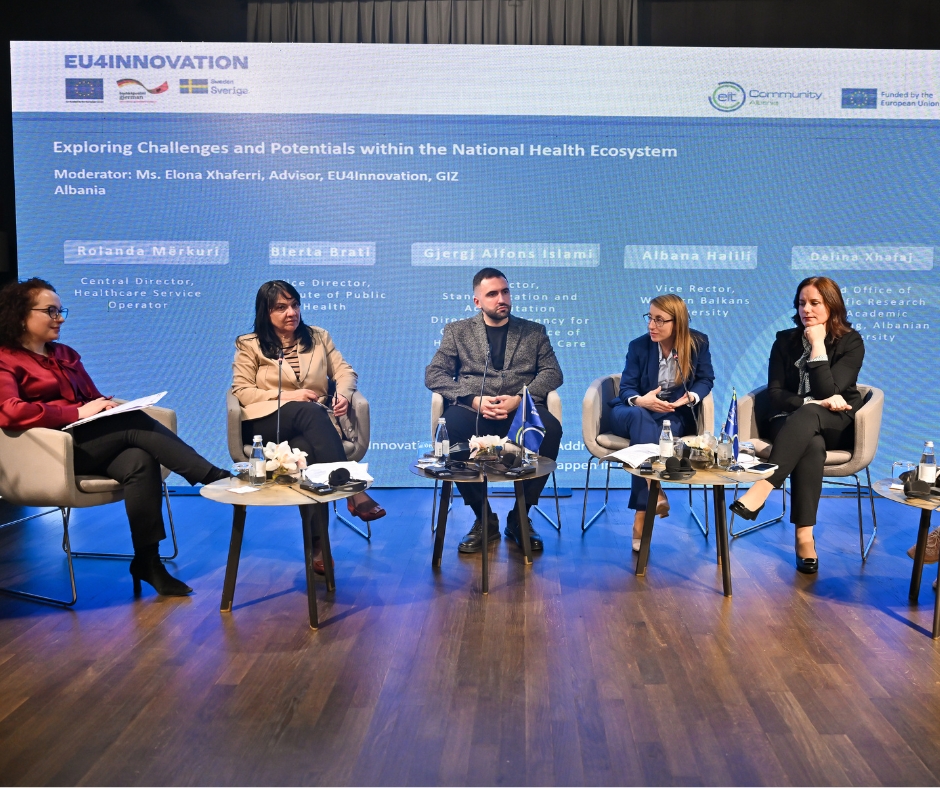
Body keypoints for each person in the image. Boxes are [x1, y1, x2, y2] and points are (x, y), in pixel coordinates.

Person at [0, 278, 231, 596]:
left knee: (139, 460)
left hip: (87, 444)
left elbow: (91, 398)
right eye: (51, 311)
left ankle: (148, 561)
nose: (60, 318)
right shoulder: (6, 359)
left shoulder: (65, 354)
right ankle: (213, 477)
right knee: (133, 423)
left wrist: (103, 406)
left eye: (61, 311)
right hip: (48, 453)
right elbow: (9, 411)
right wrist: (75, 413)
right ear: (21, 314)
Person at [232, 281, 385, 571]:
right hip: (268, 423)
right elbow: (242, 391)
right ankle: (352, 489)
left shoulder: (317, 337)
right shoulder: (249, 344)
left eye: (295, 305)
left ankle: (318, 546)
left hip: (310, 428)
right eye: (281, 307)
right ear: (265, 312)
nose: (291, 312)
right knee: (309, 410)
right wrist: (291, 396)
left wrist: (343, 394)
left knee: (308, 453)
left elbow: (345, 371)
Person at [730, 276, 864, 575]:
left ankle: (762, 488)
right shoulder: (784, 341)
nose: (807, 309)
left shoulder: (851, 342)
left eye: (815, 303)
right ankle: (804, 538)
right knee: (811, 443)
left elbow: (828, 391)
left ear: (832, 306)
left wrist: (817, 344)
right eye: (802, 303)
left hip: (835, 422)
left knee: (812, 419)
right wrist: (808, 403)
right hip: (788, 420)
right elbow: (775, 393)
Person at [425, 267, 563, 553]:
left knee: (550, 428)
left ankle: (520, 516)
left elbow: (552, 373)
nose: (502, 299)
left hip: (519, 409)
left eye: (505, 291)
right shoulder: (458, 331)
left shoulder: (534, 331)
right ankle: (483, 517)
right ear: (477, 301)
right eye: (492, 294)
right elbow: (434, 374)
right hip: (474, 409)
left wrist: (519, 398)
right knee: (450, 429)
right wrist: (472, 399)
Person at [606, 294, 714, 552]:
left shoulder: (697, 343)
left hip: (672, 413)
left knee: (660, 429)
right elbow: (626, 387)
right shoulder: (639, 346)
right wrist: (641, 400)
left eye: (659, 320)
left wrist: (691, 396)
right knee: (641, 418)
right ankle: (652, 492)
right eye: (650, 318)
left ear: (677, 323)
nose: (651, 325)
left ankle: (644, 508)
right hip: (632, 411)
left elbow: (705, 379)